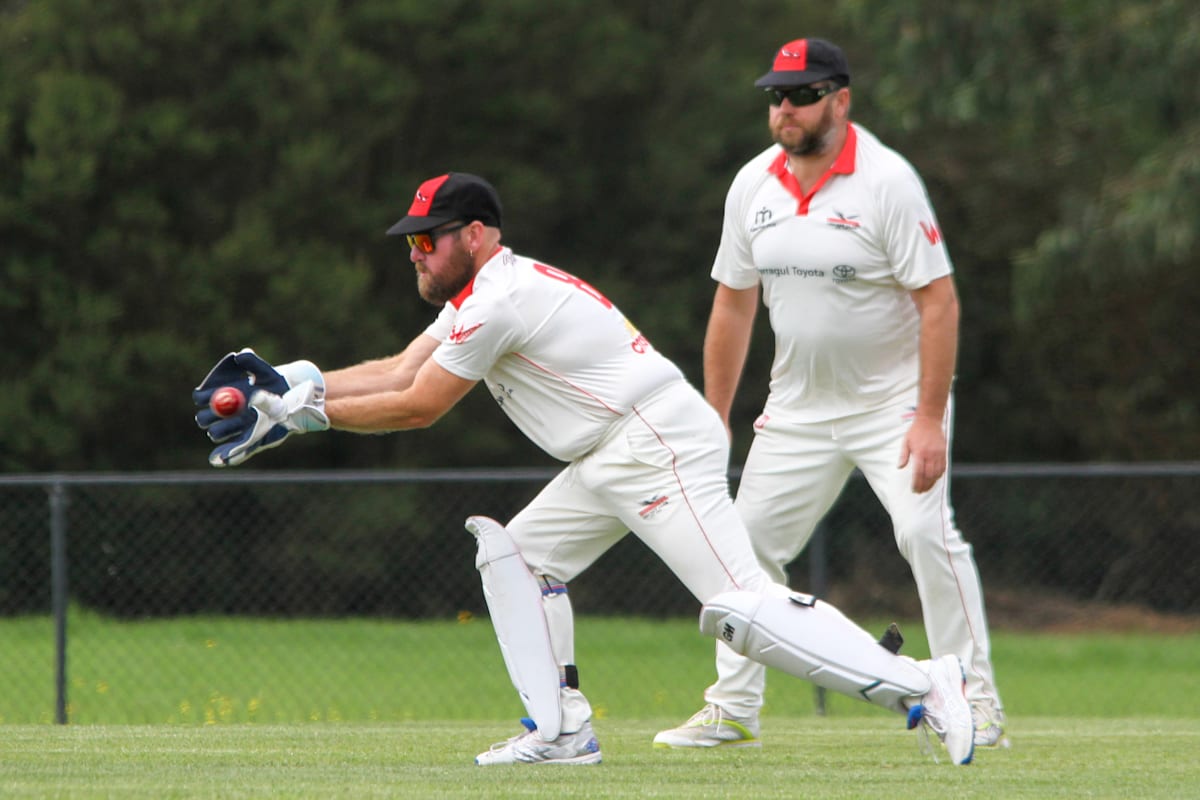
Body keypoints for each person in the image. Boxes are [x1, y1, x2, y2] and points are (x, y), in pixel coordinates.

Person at [192, 172, 975, 766]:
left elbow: (419, 404)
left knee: (741, 608)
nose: (417, 256)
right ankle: (561, 729)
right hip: (609, 451)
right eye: (411, 245)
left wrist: (308, 414)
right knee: (519, 558)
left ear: (476, 235)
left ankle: (923, 683)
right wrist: (298, 385)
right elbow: (399, 368)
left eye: (428, 241)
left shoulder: (498, 300)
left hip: (653, 440)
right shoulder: (478, 295)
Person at [653, 38, 1007, 752]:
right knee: (743, 546)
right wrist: (714, 417)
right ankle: (733, 708)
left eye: (804, 95)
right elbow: (733, 305)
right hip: (798, 408)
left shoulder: (887, 181)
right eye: (777, 96)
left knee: (924, 535)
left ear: (840, 101)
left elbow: (939, 303)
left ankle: (976, 702)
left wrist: (929, 419)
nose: (786, 108)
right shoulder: (752, 185)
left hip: (894, 405)